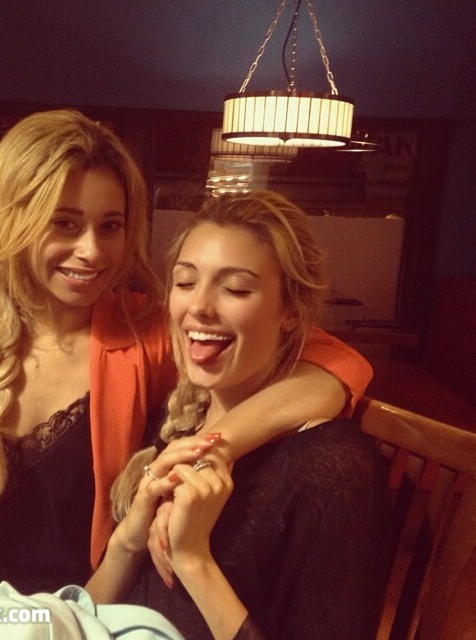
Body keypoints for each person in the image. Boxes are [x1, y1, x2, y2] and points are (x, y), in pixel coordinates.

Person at [0, 110, 373, 609]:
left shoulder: (148, 332)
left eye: (110, 226)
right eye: (64, 223)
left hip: (92, 615)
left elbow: (338, 364)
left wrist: (217, 447)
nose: (92, 251)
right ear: (11, 221)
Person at [87, 191, 391, 640]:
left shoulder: (330, 466)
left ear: (291, 313)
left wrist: (194, 561)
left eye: (235, 289)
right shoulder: (175, 425)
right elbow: (81, 617)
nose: (199, 307)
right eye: (185, 282)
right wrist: (127, 544)